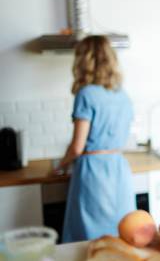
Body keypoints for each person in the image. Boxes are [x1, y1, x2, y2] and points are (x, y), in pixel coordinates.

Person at [54, 35, 135, 242]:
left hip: (93, 173)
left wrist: (60, 166)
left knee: (89, 240)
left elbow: (77, 147)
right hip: (119, 169)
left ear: (84, 60)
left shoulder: (86, 94)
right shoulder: (123, 95)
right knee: (120, 236)